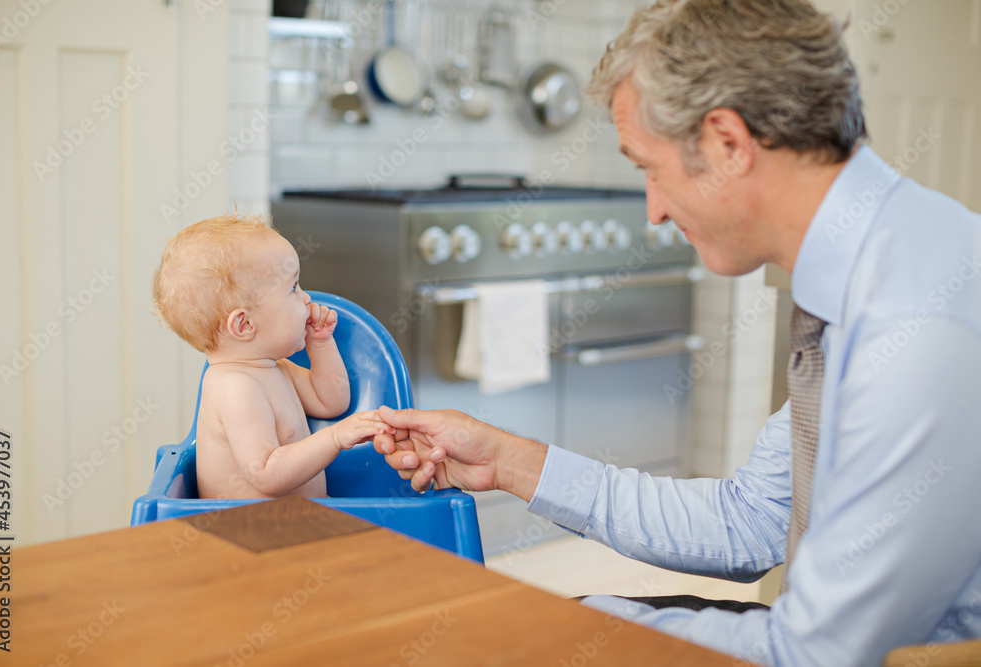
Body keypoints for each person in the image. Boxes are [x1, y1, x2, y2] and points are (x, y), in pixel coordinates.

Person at [373, 1, 981, 665]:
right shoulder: (877, 258)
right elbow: (751, 521)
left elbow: (815, 656)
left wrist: (566, 623)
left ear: (727, 142)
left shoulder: (915, 327)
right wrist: (507, 460)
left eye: (649, 168)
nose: (655, 210)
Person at [153, 215, 393, 499]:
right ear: (244, 325)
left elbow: (332, 402)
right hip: (250, 533)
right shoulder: (235, 388)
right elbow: (265, 472)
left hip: (295, 524)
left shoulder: (275, 368)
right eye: (293, 288)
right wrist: (334, 438)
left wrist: (321, 344)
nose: (306, 299)